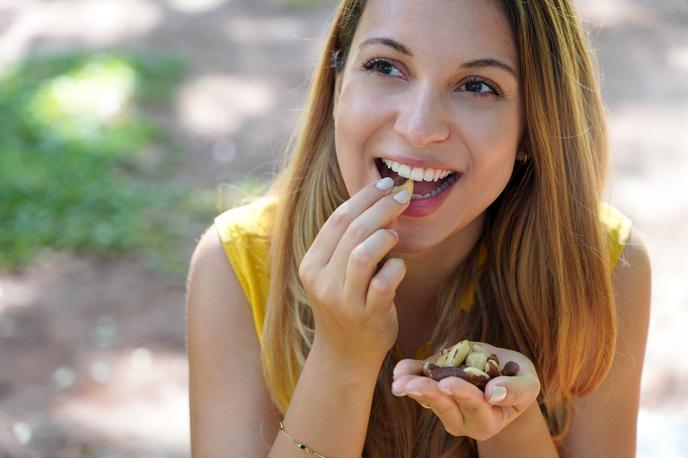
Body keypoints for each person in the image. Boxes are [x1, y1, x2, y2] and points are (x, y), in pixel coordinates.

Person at [186, 0, 652, 456]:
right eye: (386, 67)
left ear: (533, 129)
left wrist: (505, 425)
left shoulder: (604, 267)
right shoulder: (237, 265)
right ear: (336, 86)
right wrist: (341, 359)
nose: (418, 127)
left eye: (476, 85)